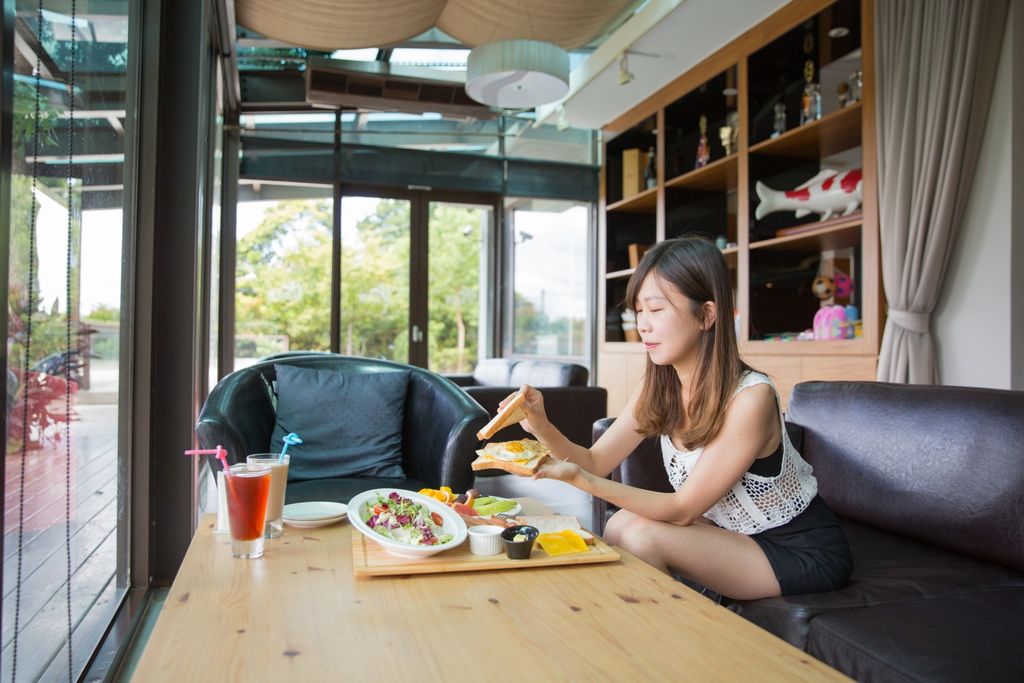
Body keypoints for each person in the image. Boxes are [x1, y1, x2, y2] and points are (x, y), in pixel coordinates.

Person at [503, 236, 852, 600]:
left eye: (656, 310)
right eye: (638, 311)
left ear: (706, 315)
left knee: (640, 534)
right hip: (734, 536)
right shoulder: (660, 386)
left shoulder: (752, 397)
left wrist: (580, 480)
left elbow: (682, 510)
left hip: (798, 550)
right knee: (620, 523)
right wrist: (539, 424)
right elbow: (595, 460)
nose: (643, 325)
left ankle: (671, 646)